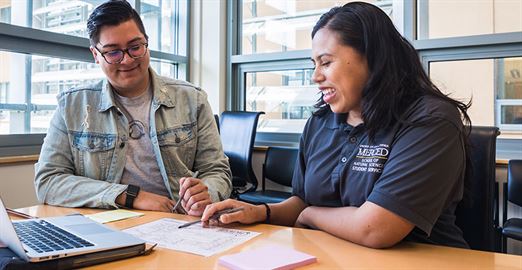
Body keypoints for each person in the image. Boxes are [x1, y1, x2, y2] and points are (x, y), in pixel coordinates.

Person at [201, 2, 472, 249]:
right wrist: (259, 212)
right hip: (331, 255)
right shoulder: (320, 122)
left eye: (326, 62)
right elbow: (302, 201)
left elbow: (375, 228)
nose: (316, 76)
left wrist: (310, 215)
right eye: (314, 64)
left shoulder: (430, 120)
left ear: (373, 57)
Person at [34, 0, 231, 216]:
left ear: (147, 43)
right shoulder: (72, 106)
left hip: (178, 220)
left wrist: (206, 193)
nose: (127, 60)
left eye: (135, 47)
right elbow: (48, 181)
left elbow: (217, 171)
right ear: (95, 54)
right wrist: (129, 195)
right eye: (113, 52)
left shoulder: (192, 99)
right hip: (107, 224)